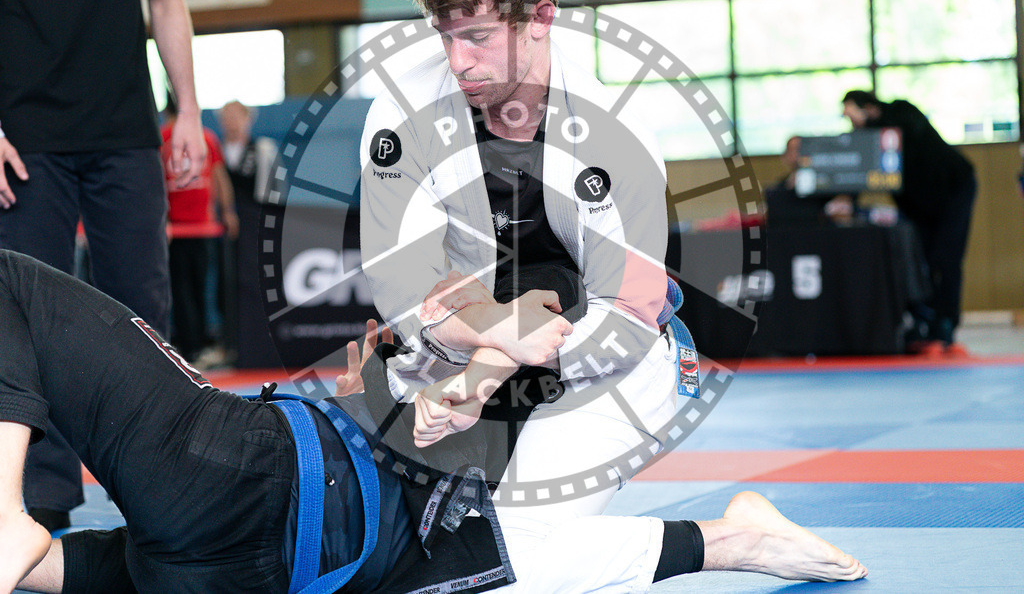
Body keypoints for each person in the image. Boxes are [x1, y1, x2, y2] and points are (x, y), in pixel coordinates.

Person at [352, 0, 862, 590]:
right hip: (459, 361)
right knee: (382, 563)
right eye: (444, 35)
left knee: (509, 569)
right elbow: (406, 284)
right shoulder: (398, 109)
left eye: (476, 36)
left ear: (540, 18)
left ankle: (734, 541)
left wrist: (499, 360)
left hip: (617, 362)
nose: (457, 60)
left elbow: (634, 306)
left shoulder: (616, 132)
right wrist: (472, 361)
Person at [0, 250, 867, 592]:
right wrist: (441, 370)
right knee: (493, 564)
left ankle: (729, 540)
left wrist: (477, 372)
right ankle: (731, 539)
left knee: (501, 557)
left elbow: (541, 315)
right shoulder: (411, 334)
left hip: (628, 377)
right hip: (257, 529)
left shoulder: (545, 280)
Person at [0, 0, 207, 532]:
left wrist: (189, 110)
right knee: (26, 319)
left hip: (125, 131)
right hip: (26, 137)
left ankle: (158, 478)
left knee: (143, 309)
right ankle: (42, 491)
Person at [842, 90, 976, 351]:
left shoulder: (900, 111)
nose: (853, 123)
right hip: (920, 204)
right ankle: (926, 322)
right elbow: (863, 169)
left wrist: (867, 123)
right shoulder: (866, 136)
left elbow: (906, 131)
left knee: (945, 258)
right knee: (922, 260)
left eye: (854, 114)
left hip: (954, 189)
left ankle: (946, 322)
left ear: (868, 108)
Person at [161, 98, 239, 362]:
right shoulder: (197, 137)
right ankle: (193, 344)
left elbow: (217, 175)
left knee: (187, 288)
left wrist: (226, 212)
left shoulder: (201, 137)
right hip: (184, 228)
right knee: (192, 287)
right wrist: (227, 211)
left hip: (192, 227)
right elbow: (220, 177)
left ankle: (197, 344)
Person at [217, 100, 280, 366]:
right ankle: (231, 345)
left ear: (247, 118)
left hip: (255, 222)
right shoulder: (216, 152)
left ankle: (258, 345)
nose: (231, 122)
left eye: (236, 116)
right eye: (226, 116)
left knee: (255, 282)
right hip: (223, 225)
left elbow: (273, 191)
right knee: (226, 283)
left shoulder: (263, 148)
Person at [764, 136, 855, 226]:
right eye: (795, 149)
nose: (800, 154)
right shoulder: (776, 192)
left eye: (803, 148)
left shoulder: (827, 186)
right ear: (785, 156)